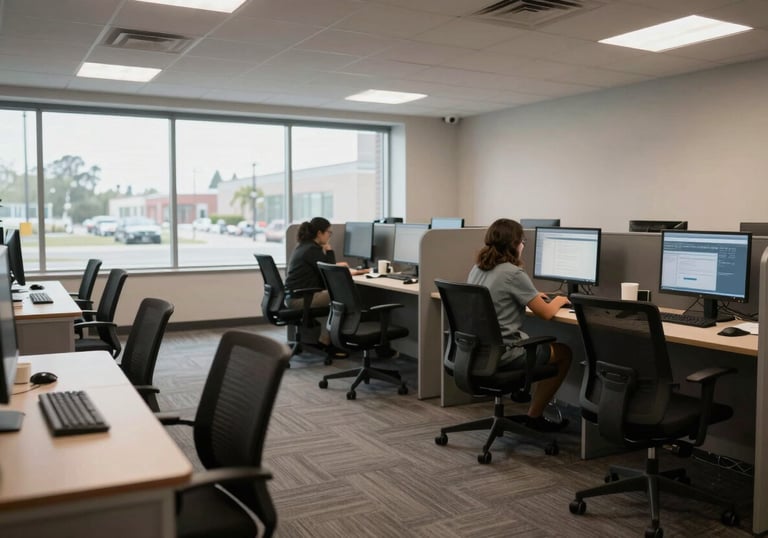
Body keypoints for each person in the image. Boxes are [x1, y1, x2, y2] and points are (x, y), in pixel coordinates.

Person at [467, 218, 572, 432]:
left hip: (476, 351)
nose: (523, 245)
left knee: (536, 343)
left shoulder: (477, 268)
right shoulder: (513, 273)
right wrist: (561, 299)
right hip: (503, 354)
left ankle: (526, 401)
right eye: (522, 240)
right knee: (564, 353)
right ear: (514, 244)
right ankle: (534, 416)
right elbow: (546, 313)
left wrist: (532, 296)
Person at [284, 217, 364, 354]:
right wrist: (329, 251)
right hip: (301, 299)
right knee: (343, 297)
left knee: (340, 296)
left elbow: (324, 269)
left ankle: (328, 339)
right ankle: (331, 342)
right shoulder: (312, 250)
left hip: (295, 296)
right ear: (320, 233)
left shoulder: (305, 246)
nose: (329, 236)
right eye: (329, 233)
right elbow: (328, 271)